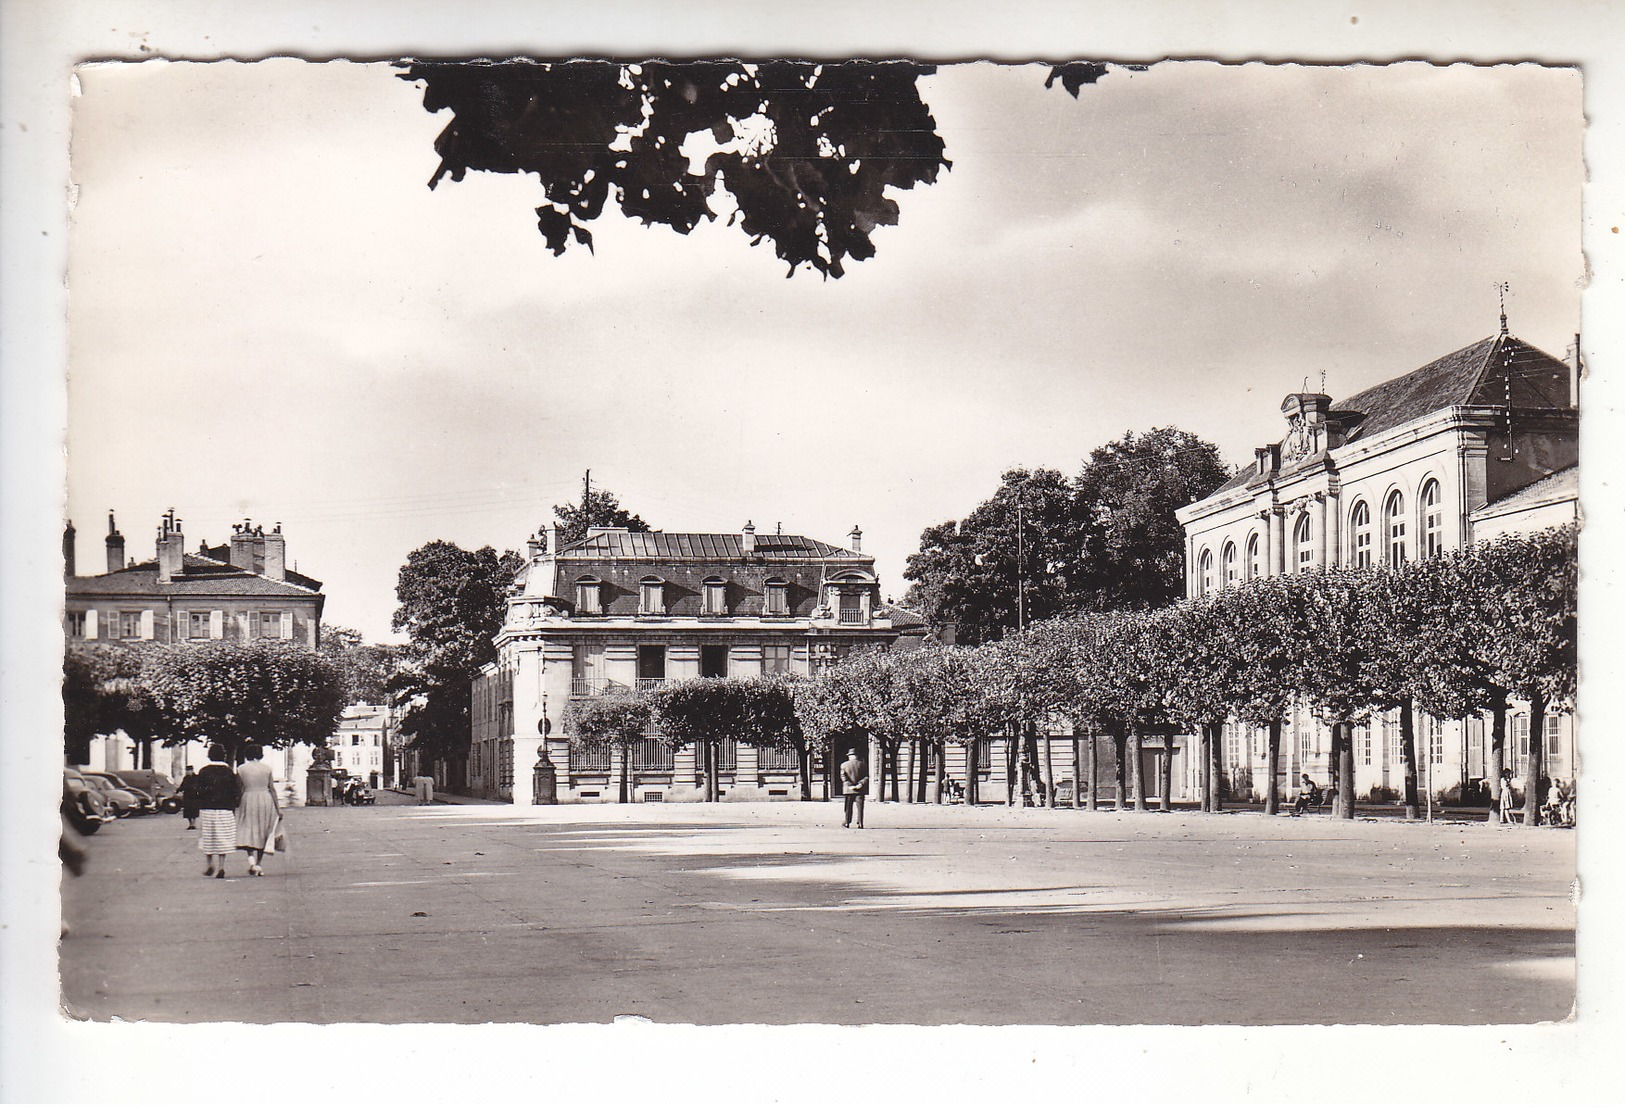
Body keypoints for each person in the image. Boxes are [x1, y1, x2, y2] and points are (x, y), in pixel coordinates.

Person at [194, 744, 241, 878]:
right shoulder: (229, 772)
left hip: (207, 808)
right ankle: (221, 866)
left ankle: (209, 864)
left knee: (208, 836)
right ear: (224, 756)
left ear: (209, 755)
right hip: (225, 809)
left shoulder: (203, 771)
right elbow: (235, 791)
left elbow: (198, 791)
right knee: (223, 837)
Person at [235, 743, 282, 877]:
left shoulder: (241, 768)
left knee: (249, 829)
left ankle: (251, 861)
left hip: (248, 798)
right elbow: (272, 788)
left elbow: (239, 788)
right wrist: (278, 809)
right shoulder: (267, 768)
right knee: (263, 830)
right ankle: (259, 864)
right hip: (265, 799)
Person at [840, 750, 869, 829]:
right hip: (860, 789)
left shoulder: (844, 765)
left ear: (850, 756)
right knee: (860, 807)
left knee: (848, 807)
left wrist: (850, 785)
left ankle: (847, 822)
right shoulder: (863, 764)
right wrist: (860, 784)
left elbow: (843, 777)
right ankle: (860, 823)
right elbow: (866, 777)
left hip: (849, 790)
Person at [176, 764, 200, 830]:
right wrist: (178, 790)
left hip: (194, 796)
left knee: (194, 810)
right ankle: (190, 824)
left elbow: (199, 786)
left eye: (189, 770)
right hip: (187, 796)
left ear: (192, 770)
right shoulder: (185, 778)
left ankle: (193, 824)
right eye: (187, 770)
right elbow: (182, 786)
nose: (188, 772)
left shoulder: (197, 777)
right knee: (188, 810)